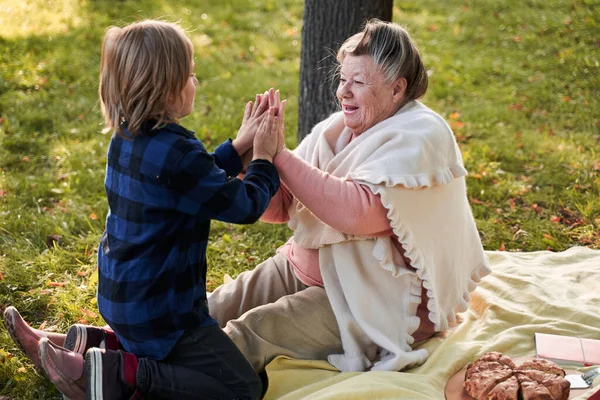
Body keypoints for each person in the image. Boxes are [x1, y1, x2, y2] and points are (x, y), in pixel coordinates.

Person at [5, 17, 490, 392]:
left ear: (397, 88)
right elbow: (280, 206)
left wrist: (273, 155)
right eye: (342, 79)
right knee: (204, 315)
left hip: (374, 299)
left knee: (244, 337)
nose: (342, 91)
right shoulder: (338, 128)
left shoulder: (421, 135)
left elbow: (354, 212)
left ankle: (108, 377)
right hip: (308, 269)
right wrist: (249, 152)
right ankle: (80, 350)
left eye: (357, 82)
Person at [5, 20, 285, 400]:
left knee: (178, 356)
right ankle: (118, 373)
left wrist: (237, 148)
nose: (195, 82)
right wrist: (264, 159)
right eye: (189, 74)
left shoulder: (126, 138)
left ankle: (80, 345)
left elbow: (194, 185)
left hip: (124, 299)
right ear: (168, 91)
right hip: (164, 314)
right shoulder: (179, 153)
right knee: (242, 388)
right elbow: (245, 205)